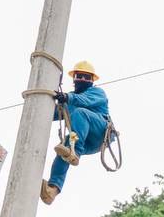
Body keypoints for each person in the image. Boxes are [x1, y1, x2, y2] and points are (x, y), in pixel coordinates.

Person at [41, 60, 111, 205]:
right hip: (83, 140)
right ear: (74, 78)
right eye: (80, 76)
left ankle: (75, 153)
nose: (83, 80)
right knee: (64, 148)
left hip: (100, 133)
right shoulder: (69, 99)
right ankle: (52, 190)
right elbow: (50, 113)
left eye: (87, 77)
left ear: (92, 80)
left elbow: (84, 100)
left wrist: (67, 97)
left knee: (80, 113)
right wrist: (40, 103)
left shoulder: (97, 92)